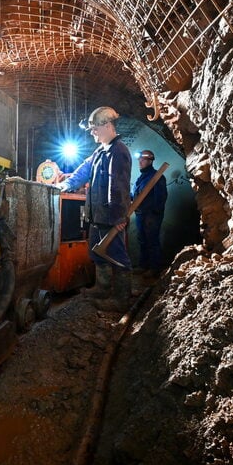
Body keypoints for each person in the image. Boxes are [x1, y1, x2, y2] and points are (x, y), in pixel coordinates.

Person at [55, 106, 133, 312]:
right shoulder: (100, 151)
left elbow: (119, 187)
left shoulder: (118, 151)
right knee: (97, 253)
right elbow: (83, 171)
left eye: (94, 129)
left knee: (117, 256)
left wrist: (118, 217)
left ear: (107, 126)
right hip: (97, 215)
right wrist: (63, 186)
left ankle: (121, 299)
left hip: (111, 217)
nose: (92, 133)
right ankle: (102, 288)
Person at [132, 149, 167, 277]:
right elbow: (135, 195)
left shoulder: (157, 176)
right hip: (140, 214)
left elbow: (161, 197)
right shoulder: (140, 178)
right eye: (139, 160)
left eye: (143, 159)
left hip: (151, 215)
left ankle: (154, 268)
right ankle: (143, 265)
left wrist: (154, 213)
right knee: (142, 240)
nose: (140, 162)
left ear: (150, 161)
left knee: (152, 240)